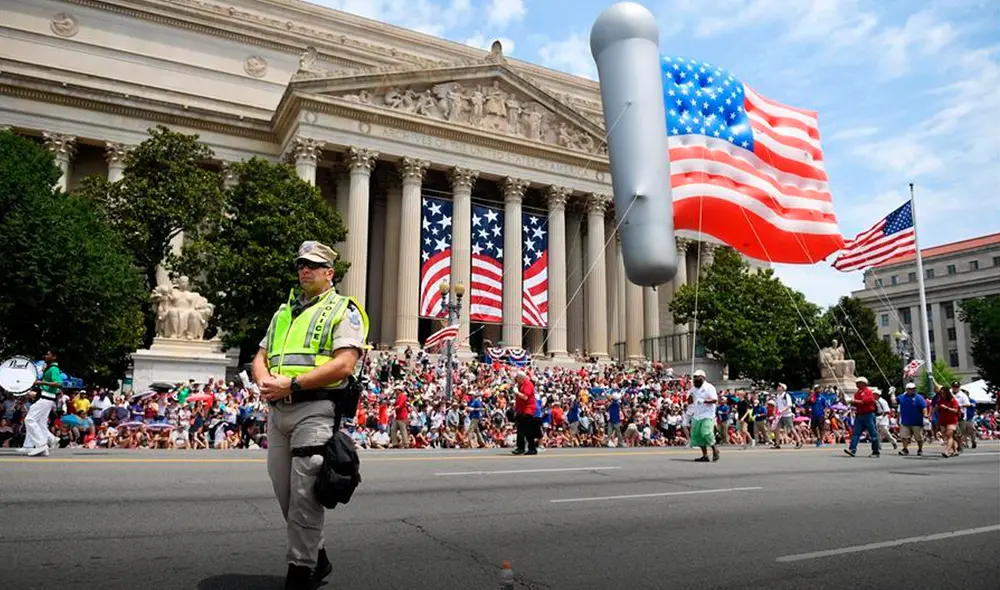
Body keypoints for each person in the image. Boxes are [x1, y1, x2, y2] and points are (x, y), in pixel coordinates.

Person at [252, 241, 369, 590]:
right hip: (279, 409)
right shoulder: (283, 312)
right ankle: (318, 555)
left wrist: (294, 384)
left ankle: (300, 570)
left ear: (329, 273)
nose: (305, 270)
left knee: (305, 492)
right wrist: (266, 382)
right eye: (302, 264)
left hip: (316, 408)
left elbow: (345, 364)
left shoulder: (343, 309)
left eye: (314, 265)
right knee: (284, 490)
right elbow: (259, 355)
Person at [20, 350, 61, 457]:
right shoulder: (49, 368)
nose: (45, 356)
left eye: (48, 354)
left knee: (30, 419)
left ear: (54, 357)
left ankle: (41, 445)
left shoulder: (54, 369)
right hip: (46, 397)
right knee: (39, 421)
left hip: (46, 397)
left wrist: (42, 382)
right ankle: (45, 442)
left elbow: (58, 383)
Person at [844, 377, 880, 458]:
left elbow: (864, 402)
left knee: (873, 433)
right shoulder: (857, 393)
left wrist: (852, 401)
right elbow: (857, 404)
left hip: (868, 415)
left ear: (863, 383)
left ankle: (875, 451)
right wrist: (850, 402)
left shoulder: (868, 392)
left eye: (858, 382)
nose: (856, 384)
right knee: (855, 433)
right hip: (859, 415)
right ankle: (852, 449)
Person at [688, 369, 719, 462]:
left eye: (697, 377)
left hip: (707, 414)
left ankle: (715, 450)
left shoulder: (709, 387)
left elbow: (714, 400)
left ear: (703, 377)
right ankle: (705, 455)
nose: (695, 379)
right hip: (697, 414)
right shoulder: (693, 388)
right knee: (697, 435)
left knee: (706, 432)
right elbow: (690, 400)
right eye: (694, 377)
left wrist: (704, 401)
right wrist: (689, 398)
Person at [896, 383, 926, 456]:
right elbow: (894, 401)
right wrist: (892, 393)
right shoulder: (902, 397)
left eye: (914, 389)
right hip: (905, 421)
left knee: (918, 437)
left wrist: (925, 417)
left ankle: (920, 449)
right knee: (904, 436)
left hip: (916, 421)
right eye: (911, 389)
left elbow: (924, 408)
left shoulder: (919, 398)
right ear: (907, 390)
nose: (913, 390)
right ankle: (905, 449)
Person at [512, 371, 537, 455]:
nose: (516, 380)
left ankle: (532, 448)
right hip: (521, 409)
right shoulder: (520, 384)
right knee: (520, 429)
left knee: (527, 429)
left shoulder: (528, 384)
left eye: (517, 378)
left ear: (521, 378)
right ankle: (520, 447)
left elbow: (525, 397)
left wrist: (517, 392)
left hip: (528, 409)